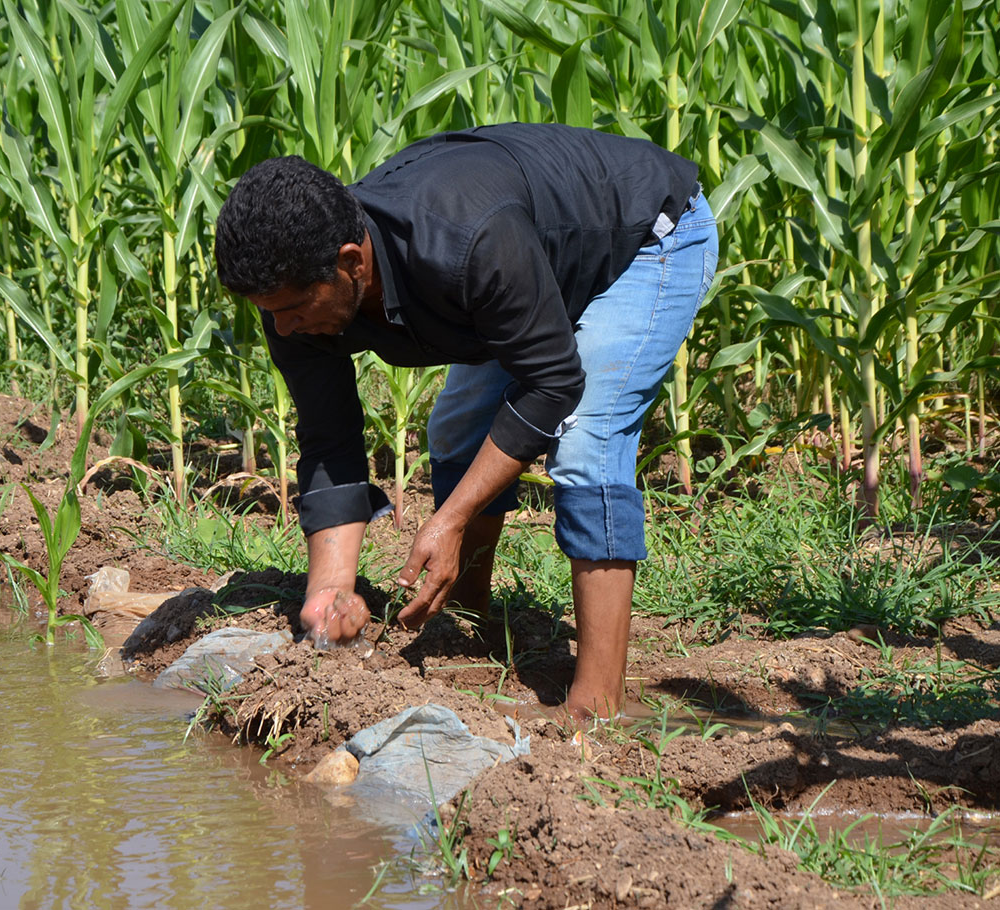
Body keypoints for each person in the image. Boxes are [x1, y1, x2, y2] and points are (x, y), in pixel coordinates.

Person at [213, 123, 718, 722]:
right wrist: (330, 592)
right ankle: (471, 628)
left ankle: (598, 707)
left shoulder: (463, 241)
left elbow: (554, 383)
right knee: (456, 430)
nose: (285, 329)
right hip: (534, 264)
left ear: (351, 263)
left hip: (645, 236)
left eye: (294, 311)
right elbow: (330, 435)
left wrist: (449, 518)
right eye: (273, 316)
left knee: (588, 438)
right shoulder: (295, 296)